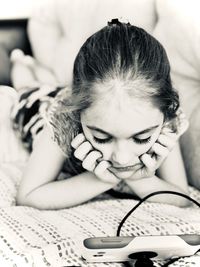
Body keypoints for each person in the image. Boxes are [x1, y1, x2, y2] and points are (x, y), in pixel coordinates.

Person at [16, 19, 190, 210]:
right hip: (37, 105)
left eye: (141, 138)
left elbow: (181, 198)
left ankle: (32, 66)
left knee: (47, 81)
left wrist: (138, 180)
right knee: (27, 86)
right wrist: (102, 180)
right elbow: (28, 196)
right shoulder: (63, 120)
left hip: (76, 94)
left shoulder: (166, 120)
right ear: (78, 114)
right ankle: (19, 59)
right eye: (101, 138)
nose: (121, 158)